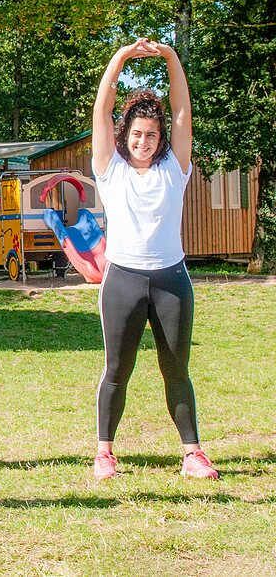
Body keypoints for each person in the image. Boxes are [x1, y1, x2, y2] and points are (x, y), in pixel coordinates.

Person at [90, 38, 218, 480]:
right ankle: (105, 452)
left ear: (162, 138)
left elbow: (182, 110)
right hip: (122, 281)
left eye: (152, 134)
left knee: (176, 368)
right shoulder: (110, 168)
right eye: (136, 134)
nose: (144, 141)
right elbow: (102, 106)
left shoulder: (173, 168)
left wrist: (170, 57)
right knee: (116, 371)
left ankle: (193, 453)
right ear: (124, 135)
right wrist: (121, 57)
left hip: (170, 282)